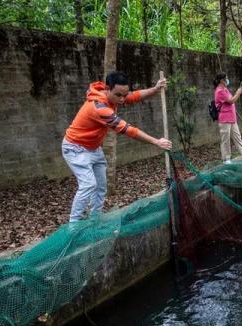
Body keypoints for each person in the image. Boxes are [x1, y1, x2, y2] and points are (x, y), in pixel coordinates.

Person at [62, 71, 172, 222]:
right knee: (88, 185)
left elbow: (133, 96)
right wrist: (156, 142)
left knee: (100, 187)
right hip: (75, 148)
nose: (122, 99)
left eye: (124, 95)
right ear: (107, 89)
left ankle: (95, 220)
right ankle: (73, 226)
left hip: (94, 148)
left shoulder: (114, 98)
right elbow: (127, 129)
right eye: (118, 95)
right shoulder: (99, 107)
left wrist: (155, 88)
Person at [213, 72, 242, 164]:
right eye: (226, 78)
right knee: (225, 139)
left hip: (232, 118)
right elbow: (231, 101)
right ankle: (226, 159)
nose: (228, 80)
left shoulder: (225, 89)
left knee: (237, 136)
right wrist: (238, 93)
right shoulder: (219, 91)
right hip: (225, 119)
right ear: (222, 80)